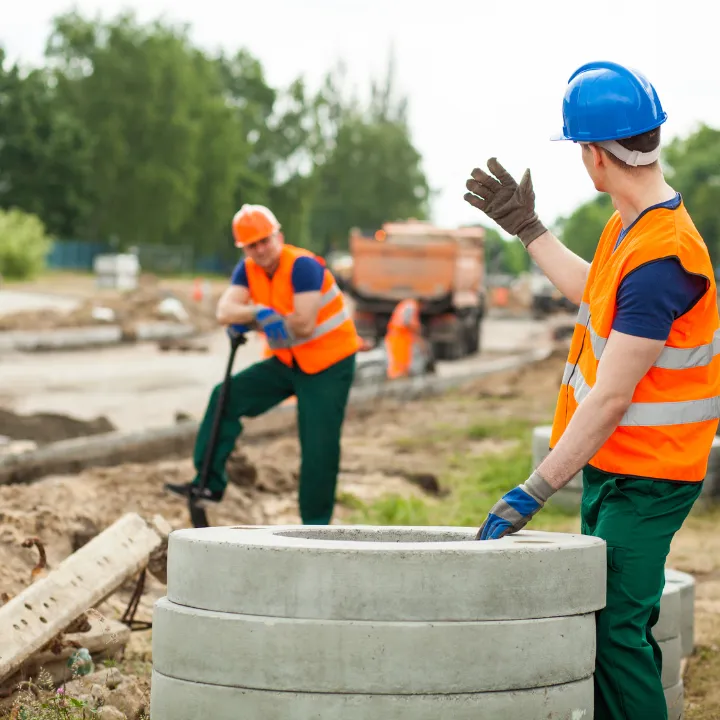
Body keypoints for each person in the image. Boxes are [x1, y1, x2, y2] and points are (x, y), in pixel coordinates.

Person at [464, 61, 720, 720]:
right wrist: (529, 229)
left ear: (592, 155)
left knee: (614, 633)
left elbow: (610, 397)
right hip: (615, 470)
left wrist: (535, 488)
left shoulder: (663, 257)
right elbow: (593, 289)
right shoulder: (629, 228)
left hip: (650, 480)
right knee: (610, 625)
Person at [165, 204, 363, 525]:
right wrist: (258, 313)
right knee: (225, 397)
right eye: (251, 245)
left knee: (318, 446)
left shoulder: (304, 267)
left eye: (264, 241)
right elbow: (224, 312)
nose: (259, 250)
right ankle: (208, 483)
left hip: (329, 364)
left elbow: (304, 324)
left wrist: (256, 316)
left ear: (278, 237)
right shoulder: (248, 270)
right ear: (244, 248)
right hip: (287, 361)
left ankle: (316, 526)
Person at [383, 298, 430, 378]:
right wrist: (417, 331)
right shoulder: (411, 305)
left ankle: (401, 377)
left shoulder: (408, 304)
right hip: (398, 336)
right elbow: (406, 321)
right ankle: (396, 377)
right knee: (398, 359)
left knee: (403, 359)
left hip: (402, 336)